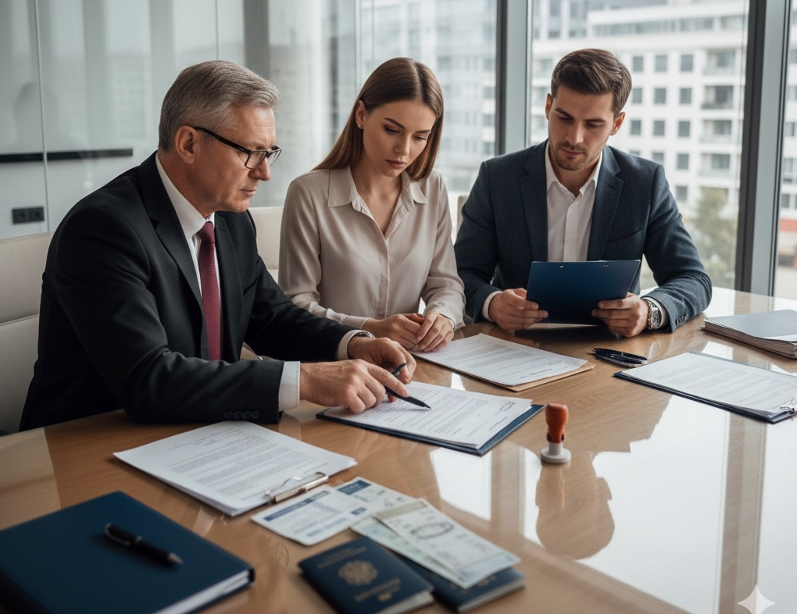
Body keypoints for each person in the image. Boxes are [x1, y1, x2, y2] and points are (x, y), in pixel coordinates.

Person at [20, 60, 415, 430]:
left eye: (269, 153)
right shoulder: (103, 229)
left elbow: (271, 317)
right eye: (250, 153)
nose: (264, 172)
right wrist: (306, 380)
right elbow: (148, 378)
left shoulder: (231, 218)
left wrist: (353, 345)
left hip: (201, 433)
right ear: (189, 144)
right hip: (90, 449)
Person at [454, 48, 711, 337]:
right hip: (516, 348)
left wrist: (650, 310)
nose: (574, 138)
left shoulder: (645, 182)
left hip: (611, 354)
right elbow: (461, 274)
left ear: (616, 124)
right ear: (548, 106)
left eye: (593, 124)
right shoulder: (498, 178)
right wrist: (492, 303)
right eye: (564, 118)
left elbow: (693, 279)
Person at [278, 57, 464, 352]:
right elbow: (296, 306)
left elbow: (446, 285)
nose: (404, 150)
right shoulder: (308, 194)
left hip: (413, 366)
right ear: (361, 114)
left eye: (420, 137)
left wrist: (443, 316)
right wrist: (369, 329)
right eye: (392, 130)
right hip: (332, 366)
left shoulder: (434, 189)